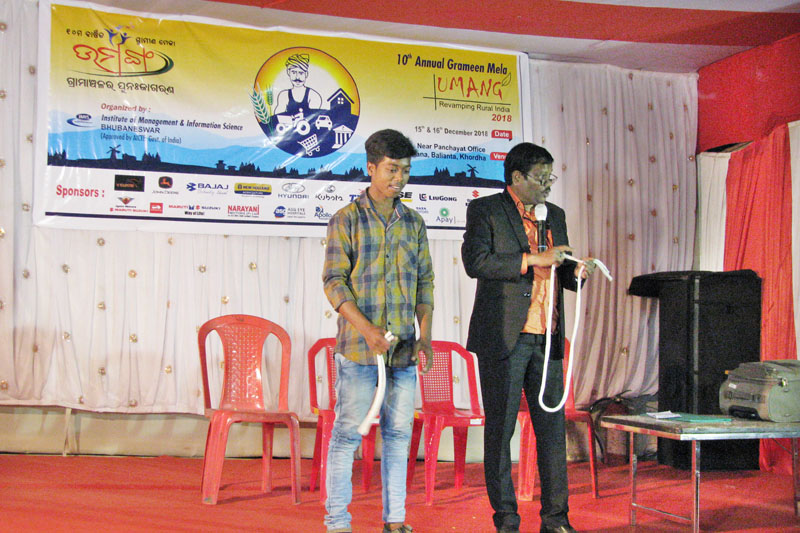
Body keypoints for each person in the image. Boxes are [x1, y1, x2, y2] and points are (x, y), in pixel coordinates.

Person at [461, 142, 596, 533]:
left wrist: (576, 273)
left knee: (551, 432)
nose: (547, 185)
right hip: (504, 337)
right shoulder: (485, 209)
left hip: (547, 336)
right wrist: (532, 259)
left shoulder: (555, 215)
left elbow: (561, 270)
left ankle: (556, 519)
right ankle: (506, 519)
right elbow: (476, 262)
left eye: (551, 177)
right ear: (517, 177)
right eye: (541, 178)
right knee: (501, 430)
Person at [322, 129, 435, 533]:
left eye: (405, 170)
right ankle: (338, 522)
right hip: (358, 351)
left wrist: (425, 336)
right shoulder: (346, 219)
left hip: (402, 353)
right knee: (347, 436)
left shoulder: (414, 223)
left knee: (399, 435)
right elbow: (334, 282)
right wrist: (367, 330)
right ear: (371, 168)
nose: (399, 178)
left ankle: (395, 521)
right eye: (391, 170)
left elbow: (425, 283)